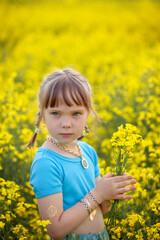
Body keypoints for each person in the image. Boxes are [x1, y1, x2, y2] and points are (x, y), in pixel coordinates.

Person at [28, 68, 137, 240]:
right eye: (56, 113)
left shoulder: (88, 151)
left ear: (88, 113)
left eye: (76, 113)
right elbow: (55, 230)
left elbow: (101, 210)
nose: (66, 123)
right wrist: (99, 194)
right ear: (42, 115)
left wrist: (110, 192)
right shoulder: (46, 163)